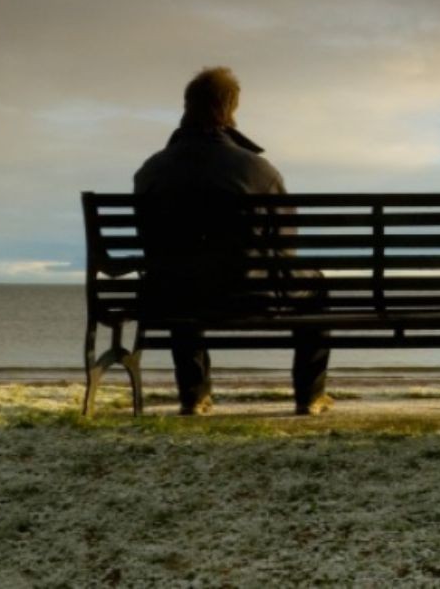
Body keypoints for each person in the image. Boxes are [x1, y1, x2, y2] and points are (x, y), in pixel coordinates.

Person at [133, 66, 331, 415]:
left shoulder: (151, 170)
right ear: (231, 109)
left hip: (174, 294)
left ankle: (193, 395)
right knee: (316, 287)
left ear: (187, 106)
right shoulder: (258, 170)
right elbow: (285, 248)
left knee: (180, 279)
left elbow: (151, 245)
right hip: (248, 292)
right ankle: (309, 395)